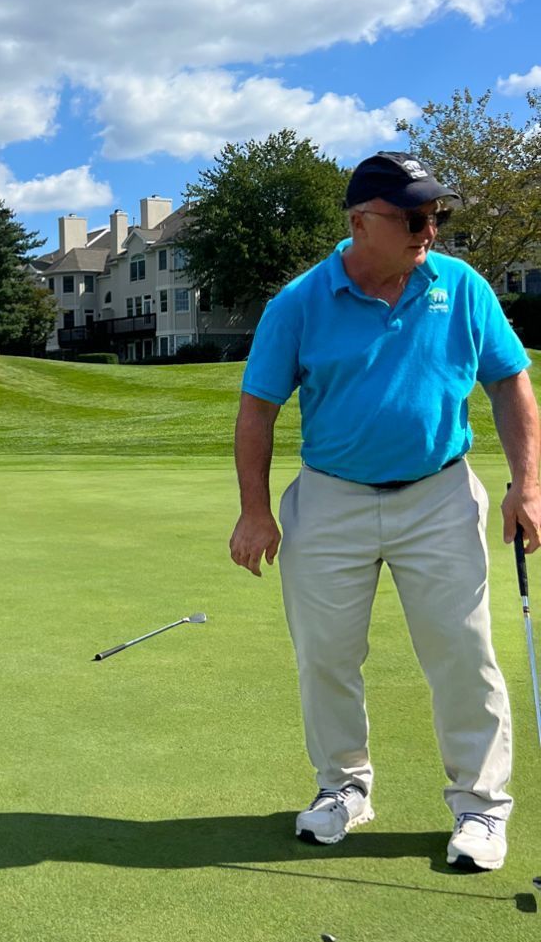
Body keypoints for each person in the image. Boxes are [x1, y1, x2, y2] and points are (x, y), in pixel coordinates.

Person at [230, 150, 541, 872]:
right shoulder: (300, 302)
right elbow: (258, 410)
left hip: (438, 493)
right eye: (413, 216)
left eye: (435, 215)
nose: (429, 228)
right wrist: (254, 511)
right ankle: (344, 788)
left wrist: (528, 485)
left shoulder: (460, 287)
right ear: (360, 222)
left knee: (463, 654)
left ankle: (480, 807)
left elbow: (511, 386)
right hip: (331, 498)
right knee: (327, 657)